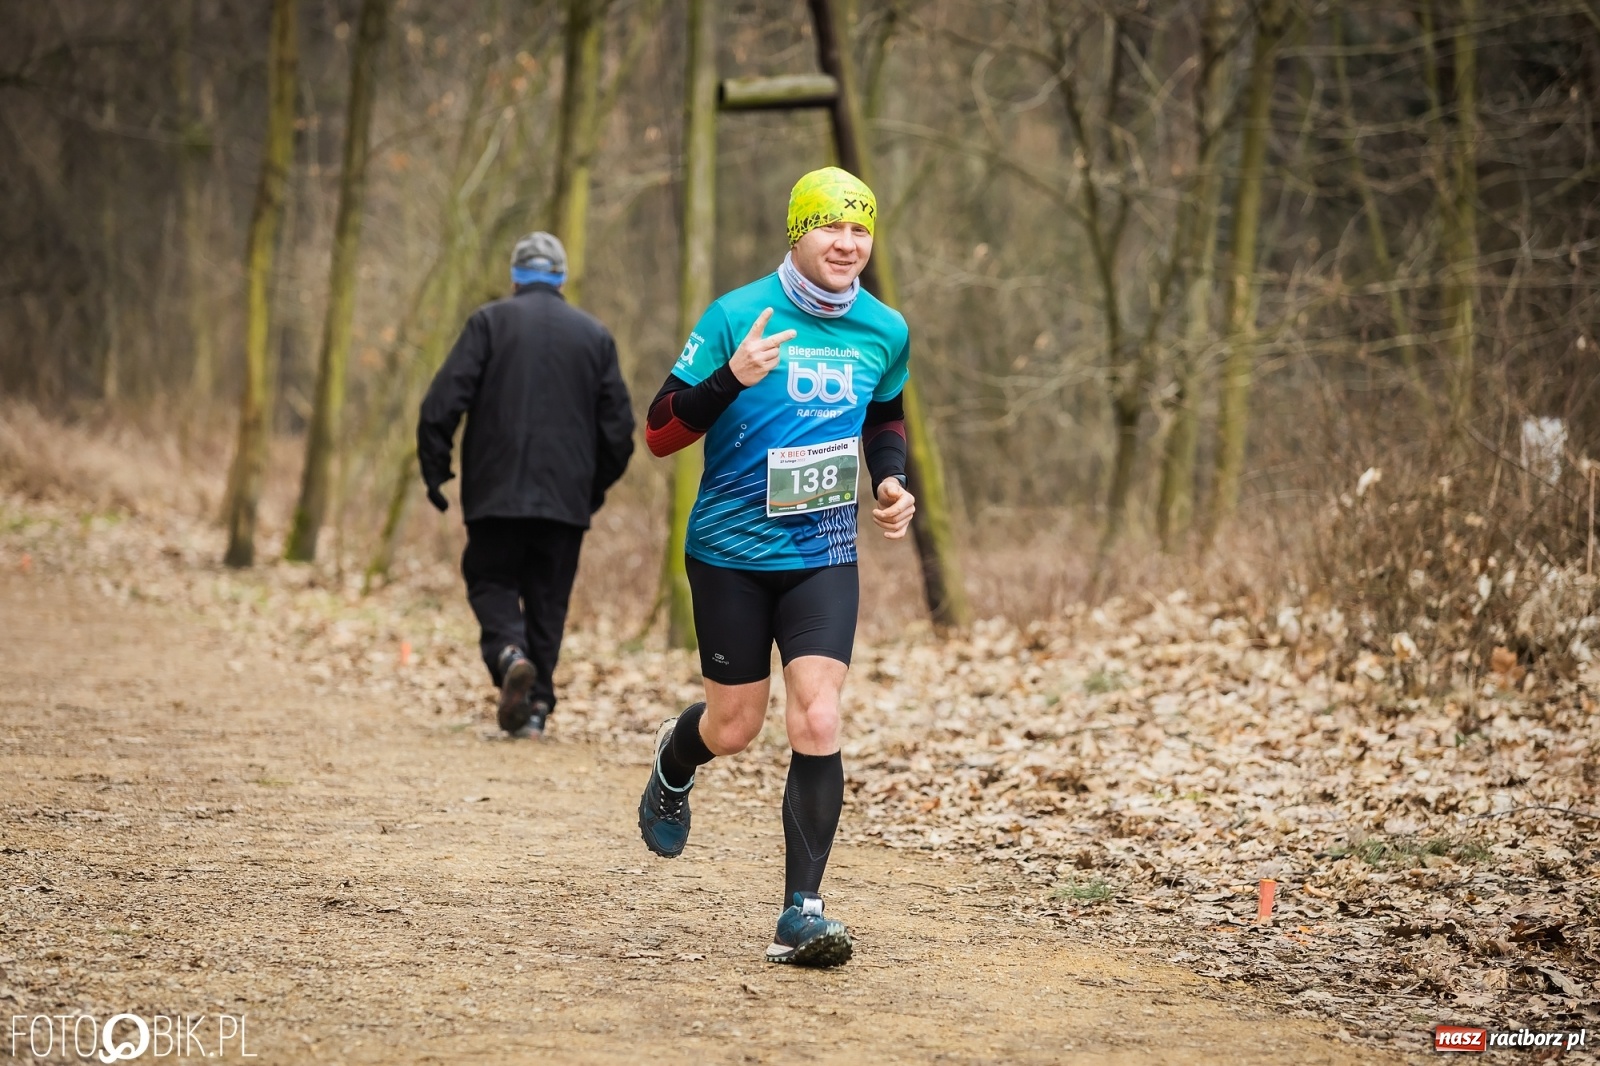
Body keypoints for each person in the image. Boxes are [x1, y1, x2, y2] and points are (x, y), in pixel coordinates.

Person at [636, 167, 915, 967]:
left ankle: (802, 912)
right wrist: (733, 379)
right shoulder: (736, 316)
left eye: (861, 229)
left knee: (818, 716)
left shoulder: (884, 329)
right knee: (735, 727)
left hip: (822, 552)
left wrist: (890, 479)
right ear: (797, 231)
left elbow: (885, 414)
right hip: (728, 550)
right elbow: (657, 434)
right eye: (831, 227)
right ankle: (675, 757)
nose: (848, 244)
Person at [417, 232, 635, 737]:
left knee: (490, 580)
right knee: (547, 600)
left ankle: (508, 654)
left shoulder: (488, 323)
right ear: (560, 278)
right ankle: (535, 707)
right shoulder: (595, 336)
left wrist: (436, 469)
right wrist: (590, 487)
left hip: (496, 490)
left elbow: (440, 406)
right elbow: (620, 434)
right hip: (565, 499)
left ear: (516, 276)